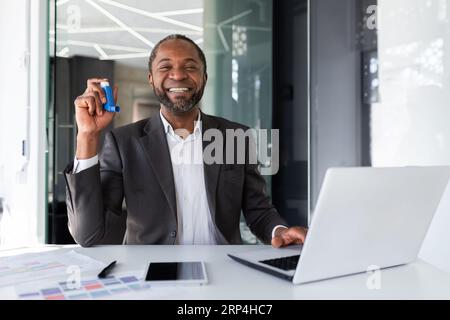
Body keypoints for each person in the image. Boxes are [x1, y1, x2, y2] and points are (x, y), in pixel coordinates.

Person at [64, 34, 307, 247]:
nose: (178, 75)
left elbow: (258, 211)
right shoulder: (124, 142)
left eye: (190, 67)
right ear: (151, 78)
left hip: (224, 270)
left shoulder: (237, 137)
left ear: (204, 77)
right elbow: (88, 235)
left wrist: (280, 231)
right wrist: (87, 135)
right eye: (165, 66)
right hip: (150, 273)